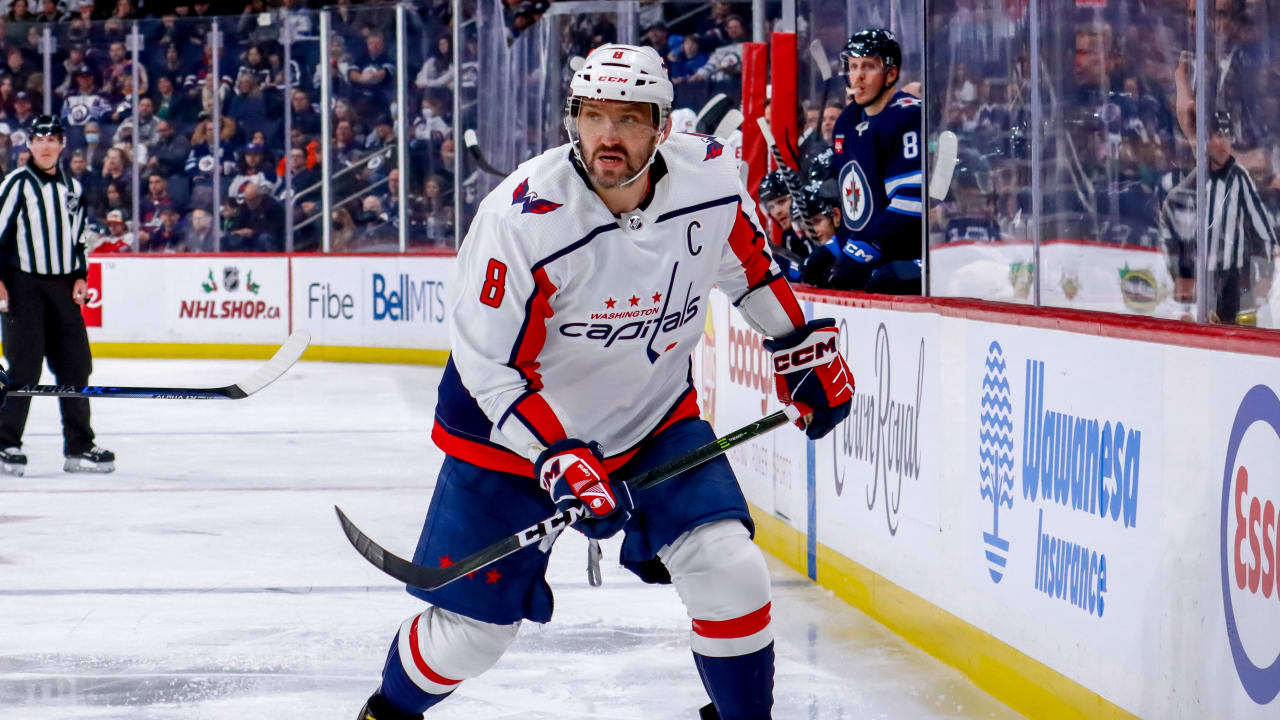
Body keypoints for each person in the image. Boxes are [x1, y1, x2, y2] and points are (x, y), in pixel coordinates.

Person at [355, 44, 855, 720]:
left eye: (628, 118)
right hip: (510, 443)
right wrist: (556, 457)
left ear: (663, 127)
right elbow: (490, 369)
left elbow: (749, 267)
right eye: (592, 115)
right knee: (471, 637)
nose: (607, 135)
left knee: (730, 570)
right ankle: (386, 714)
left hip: (653, 421)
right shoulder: (520, 219)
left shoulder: (710, 177)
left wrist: (796, 345)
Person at [0, 115, 114, 476]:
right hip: (23, 286)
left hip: (64, 288)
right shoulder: (16, 184)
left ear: (63, 145)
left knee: (76, 365)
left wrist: (80, 275)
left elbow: (78, 237)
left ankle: (79, 446)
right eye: (40, 139)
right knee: (24, 367)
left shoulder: (73, 188)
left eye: (52, 139)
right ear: (30, 144)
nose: (46, 146)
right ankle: (5, 443)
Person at [803, 29, 923, 294]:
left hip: (909, 253)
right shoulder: (846, 121)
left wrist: (862, 250)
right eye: (853, 66)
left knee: (880, 281)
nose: (857, 76)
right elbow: (855, 211)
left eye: (868, 67)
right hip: (871, 249)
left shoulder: (908, 115)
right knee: (815, 270)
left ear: (891, 74)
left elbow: (911, 202)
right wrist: (837, 247)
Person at [1158, 110, 1276, 324]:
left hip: (1234, 279)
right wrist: (1180, 273)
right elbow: (1170, 226)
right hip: (1202, 277)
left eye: (1228, 136)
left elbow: (1262, 228)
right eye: (1218, 135)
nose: (1223, 143)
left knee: (1232, 329)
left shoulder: (1239, 179)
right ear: (1205, 140)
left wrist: (1266, 275)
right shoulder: (1191, 183)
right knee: (1197, 326)